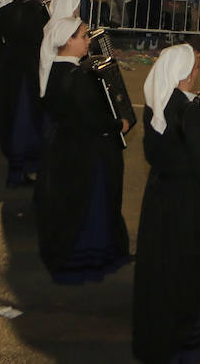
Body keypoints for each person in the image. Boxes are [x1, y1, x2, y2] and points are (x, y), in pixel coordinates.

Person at [132, 44, 200, 363]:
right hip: (194, 201)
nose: (198, 72)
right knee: (196, 267)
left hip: (162, 199)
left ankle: (163, 328)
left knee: (166, 269)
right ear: (182, 74)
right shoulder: (189, 113)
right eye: (194, 67)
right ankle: (198, 333)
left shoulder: (156, 103)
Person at [35, 15, 132, 283]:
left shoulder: (55, 70)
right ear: (68, 40)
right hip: (83, 151)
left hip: (64, 148)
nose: (88, 40)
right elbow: (90, 118)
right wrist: (118, 125)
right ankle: (88, 257)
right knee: (88, 204)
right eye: (83, 36)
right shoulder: (75, 77)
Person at [0, 0, 46, 187]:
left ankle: (17, 165)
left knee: (12, 114)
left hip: (9, 69)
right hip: (28, 70)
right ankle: (23, 167)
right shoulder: (34, 9)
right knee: (26, 117)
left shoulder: (5, 8)